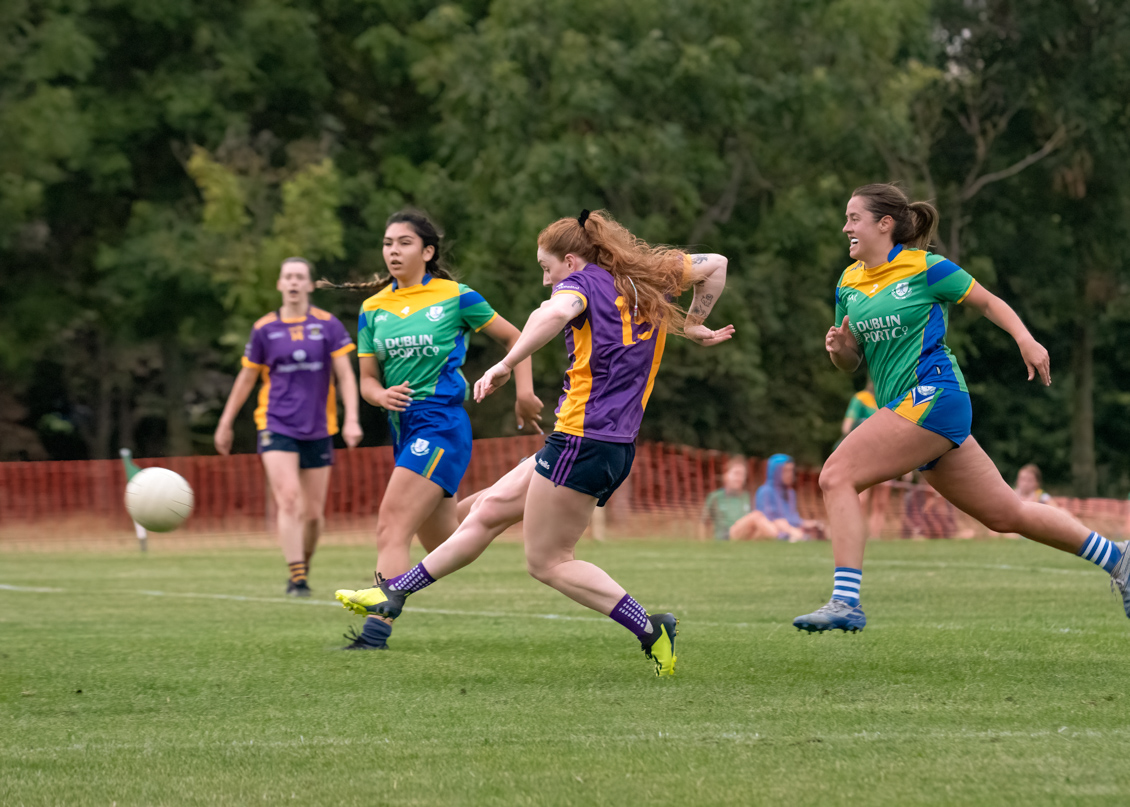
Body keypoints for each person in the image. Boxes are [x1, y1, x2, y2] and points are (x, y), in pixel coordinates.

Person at [335, 209, 734, 674]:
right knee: (487, 510)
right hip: (594, 439)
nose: (547, 280)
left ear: (570, 260)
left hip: (584, 441)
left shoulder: (578, 286)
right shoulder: (642, 279)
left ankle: (650, 628)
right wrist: (690, 323)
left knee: (548, 561)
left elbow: (552, 313)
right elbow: (717, 264)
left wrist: (507, 364)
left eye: (547, 269)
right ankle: (395, 592)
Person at [794, 183, 1130, 633]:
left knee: (836, 475)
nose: (845, 227)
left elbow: (988, 302)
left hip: (935, 396)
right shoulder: (848, 282)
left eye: (854, 218)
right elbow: (851, 362)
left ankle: (845, 601)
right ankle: (1119, 558)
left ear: (884, 224)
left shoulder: (925, 267)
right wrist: (839, 349)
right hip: (908, 409)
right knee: (1006, 514)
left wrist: (1026, 340)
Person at [322, 210, 543, 651]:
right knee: (448, 536)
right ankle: (530, 484)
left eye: (404, 243)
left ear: (427, 251)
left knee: (391, 526)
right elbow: (367, 381)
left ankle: (375, 631)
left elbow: (517, 337)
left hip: (440, 423)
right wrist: (379, 396)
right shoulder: (373, 309)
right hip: (403, 428)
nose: (393, 251)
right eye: (387, 243)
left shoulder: (456, 296)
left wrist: (524, 392)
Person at [215, 257, 362, 596]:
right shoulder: (265, 328)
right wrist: (225, 423)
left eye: (300, 277)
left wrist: (351, 418)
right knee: (289, 499)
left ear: (310, 285)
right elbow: (246, 378)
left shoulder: (328, 326)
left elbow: (344, 375)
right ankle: (297, 578)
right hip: (275, 422)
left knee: (312, 515)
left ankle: (303, 563)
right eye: (288, 277)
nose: (294, 283)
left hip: (319, 426)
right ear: (280, 284)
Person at [752, 454, 824, 542]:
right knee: (777, 524)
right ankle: (790, 536)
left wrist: (809, 523)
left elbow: (792, 518)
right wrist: (791, 529)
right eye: (785, 471)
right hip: (771, 530)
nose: (790, 474)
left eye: (791, 471)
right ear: (775, 473)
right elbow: (767, 519)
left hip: (790, 529)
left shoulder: (790, 493)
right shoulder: (765, 491)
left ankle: (794, 536)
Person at [699, 457, 755, 540]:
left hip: (745, 539)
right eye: (736, 473)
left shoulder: (747, 497)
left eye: (742, 475)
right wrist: (703, 544)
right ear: (726, 475)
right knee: (757, 516)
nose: (739, 478)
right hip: (724, 537)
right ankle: (780, 537)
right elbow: (703, 523)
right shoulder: (715, 497)